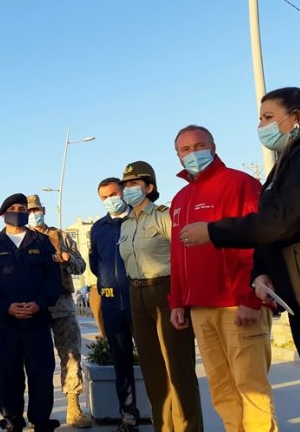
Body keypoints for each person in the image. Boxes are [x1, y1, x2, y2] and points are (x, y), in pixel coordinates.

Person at [180, 87, 300, 431]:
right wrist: (263, 271)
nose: (261, 125)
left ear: (296, 117)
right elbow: (271, 233)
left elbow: (283, 220)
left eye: (268, 117)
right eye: (260, 118)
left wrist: (212, 232)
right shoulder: (287, 165)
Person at [168, 125, 276, 431]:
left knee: (252, 390)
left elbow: (259, 242)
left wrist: (250, 299)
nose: (192, 153)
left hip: (237, 305)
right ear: (177, 156)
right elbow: (178, 255)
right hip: (201, 309)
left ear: (213, 146)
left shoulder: (240, 184)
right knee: (222, 392)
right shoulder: (180, 200)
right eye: (184, 150)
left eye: (199, 145)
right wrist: (177, 301)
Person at [118, 161, 202, 432]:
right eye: (125, 185)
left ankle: (190, 428)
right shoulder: (126, 225)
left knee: (179, 370)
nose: (127, 189)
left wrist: (181, 298)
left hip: (164, 291)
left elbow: (182, 257)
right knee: (153, 371)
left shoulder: (164, 216)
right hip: (136, 294)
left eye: (133, 184)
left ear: (149, 187)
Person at [0, 193, 62, 432]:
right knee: (6, 372)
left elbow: (53, 280)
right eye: (13, 207)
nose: (19, 211)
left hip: (37, 320)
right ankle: (12, 418)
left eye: (22, 207)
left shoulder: (42, 242)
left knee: (41, 372)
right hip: (5, 322)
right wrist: (6, 307)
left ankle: (41, 419)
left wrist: (39, 303)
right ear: (3, 213)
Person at [26, 194, 92, 428]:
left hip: (61, 304)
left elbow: (81, 265)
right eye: (29, 211)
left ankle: (73, 407)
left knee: (71, 355)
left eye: (36, 210)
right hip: (35, 307)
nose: (34, 214)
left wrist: (66, 258)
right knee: (37, 361)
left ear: (43, 209)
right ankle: (40, 412)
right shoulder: (22, 239)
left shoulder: (61, 236)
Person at [89, 178, 140, 432]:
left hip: (140, 300)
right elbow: (95, 264)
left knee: (153, 360)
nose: (110, 199)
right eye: (104, 197)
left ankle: (166, 413)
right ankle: (128, 416)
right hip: (112, 303)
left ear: (123, 192)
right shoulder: (98, 228)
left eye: (113, 193)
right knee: (121, 363)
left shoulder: (139, 218)